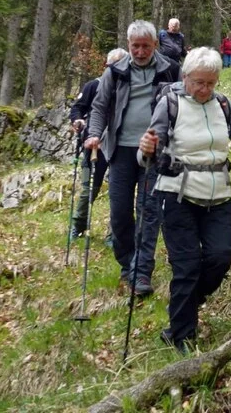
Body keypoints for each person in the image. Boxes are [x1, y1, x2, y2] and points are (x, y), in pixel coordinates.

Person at [138, 47, 231, 353]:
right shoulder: (170, 103)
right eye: (199, 83)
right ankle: (181, 338)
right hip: (176, 193)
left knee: (221, 257)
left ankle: (188, 303)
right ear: (186, 78)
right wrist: (146, 149)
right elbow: (147, 153)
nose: (205, 89)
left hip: (218, 195)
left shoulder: (222, 105)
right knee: (187, 266)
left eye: (211, 83)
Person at [85, 21, 181, 296]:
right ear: (128, 46)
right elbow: (99, 107)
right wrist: (94, 134)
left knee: (150, 212)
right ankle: (127, 262)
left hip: (154, 150)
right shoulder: (114, 72)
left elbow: (180, 104)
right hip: (120, 152)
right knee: (119, 214)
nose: (140, 52)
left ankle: (141, 273)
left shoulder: (170, 70)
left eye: (145, 46)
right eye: (135, 46)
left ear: (155, 45)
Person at [68, 47, 128, 240]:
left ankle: (114, 234)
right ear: (106, 66)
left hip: (120, 146)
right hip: (94, 147)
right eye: (113, 66)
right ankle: (78, 225)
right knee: (89, 186)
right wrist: (78, 121)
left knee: (118, 191)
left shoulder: (130, 89)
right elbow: (77, 108)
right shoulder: (93, 86)